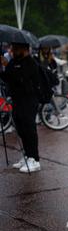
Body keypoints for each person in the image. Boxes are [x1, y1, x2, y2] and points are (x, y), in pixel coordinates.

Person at [0, 43, 41, 173]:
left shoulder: (31, 63)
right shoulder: (14, 62)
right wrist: (3, 68)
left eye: (15, 48)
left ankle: (35, 159)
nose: (12, 51)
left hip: (29, 101)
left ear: (23, 49)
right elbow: (8, 77)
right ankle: (27, 155)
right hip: (17, 101)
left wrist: (8, 66)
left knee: (29, 129)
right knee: (21, 129)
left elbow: (22, 79)